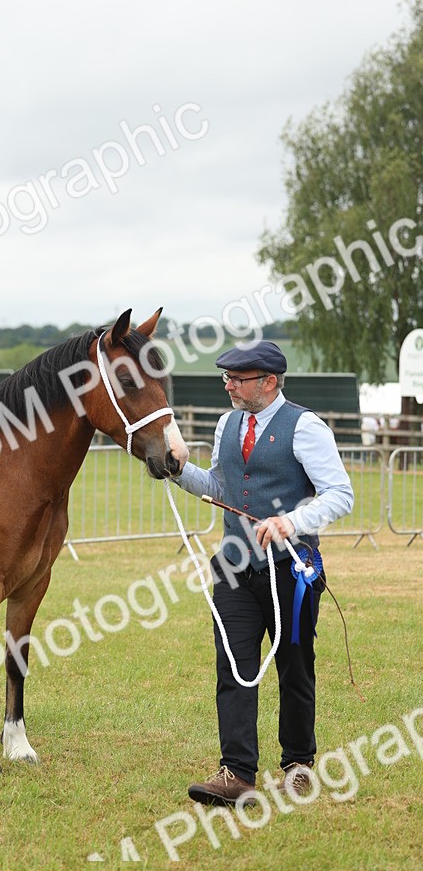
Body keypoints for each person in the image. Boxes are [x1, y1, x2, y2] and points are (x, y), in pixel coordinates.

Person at [174, 342, 354, 806]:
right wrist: (177, 470)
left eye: (238, 378)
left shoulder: (306, 427)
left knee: (295, 666)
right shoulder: (226, 423)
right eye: (227, 378)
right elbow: (218, 485)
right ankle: (236, 773)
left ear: (269, 382)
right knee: (234, 667)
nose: (229, 385)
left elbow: (339, 494)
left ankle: (298, 763)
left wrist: (291, 522)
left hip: (291, 570)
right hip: (234, 568)